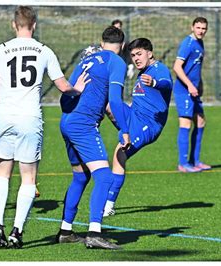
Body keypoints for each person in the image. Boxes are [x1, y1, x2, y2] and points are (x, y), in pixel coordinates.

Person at [0, 5, 89, 249]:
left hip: (5, 115)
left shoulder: (0, 51)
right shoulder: (44, 51)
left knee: (3, 172)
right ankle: (16, 231)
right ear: (34, 25)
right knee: (28, 178)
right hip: (30, 117)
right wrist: (79, 88)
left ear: (14, 24)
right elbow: (63, 85)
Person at [56, 26, 126, 250]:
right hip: (83, 125)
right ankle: (94, 232)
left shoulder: (86, 60)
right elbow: (114, 101)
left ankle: (66, 230)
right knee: (104, 177)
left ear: (102, 41)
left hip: (67, 122)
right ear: (122, 46)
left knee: (81, 177)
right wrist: (123, 128)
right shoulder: (117, 62)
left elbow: (65, 99)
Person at [102, 38, 173, 217]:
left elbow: (167, 84)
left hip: (148, 125)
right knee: (109, 103)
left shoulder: (158, 70)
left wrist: (155, 84)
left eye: (139, 54)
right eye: (133, 55)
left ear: (150, 53)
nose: (136, 58)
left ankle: (108, 206)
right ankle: (111, 130)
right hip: (134, 116)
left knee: (120, 154)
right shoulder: (143, 72)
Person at [173, 17, 211, 173]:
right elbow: (177, 67)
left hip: (194, 91)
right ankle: (183, 164)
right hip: (184, 91)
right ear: (192, 27)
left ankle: (195, 161)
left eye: (203, 28)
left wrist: (199, 84)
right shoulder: (188, 44)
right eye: (198, 27)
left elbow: (196, 67)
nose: (201, 31)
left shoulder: (200, 43)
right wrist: (189, 85)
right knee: (186, 124)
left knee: (200, 122)